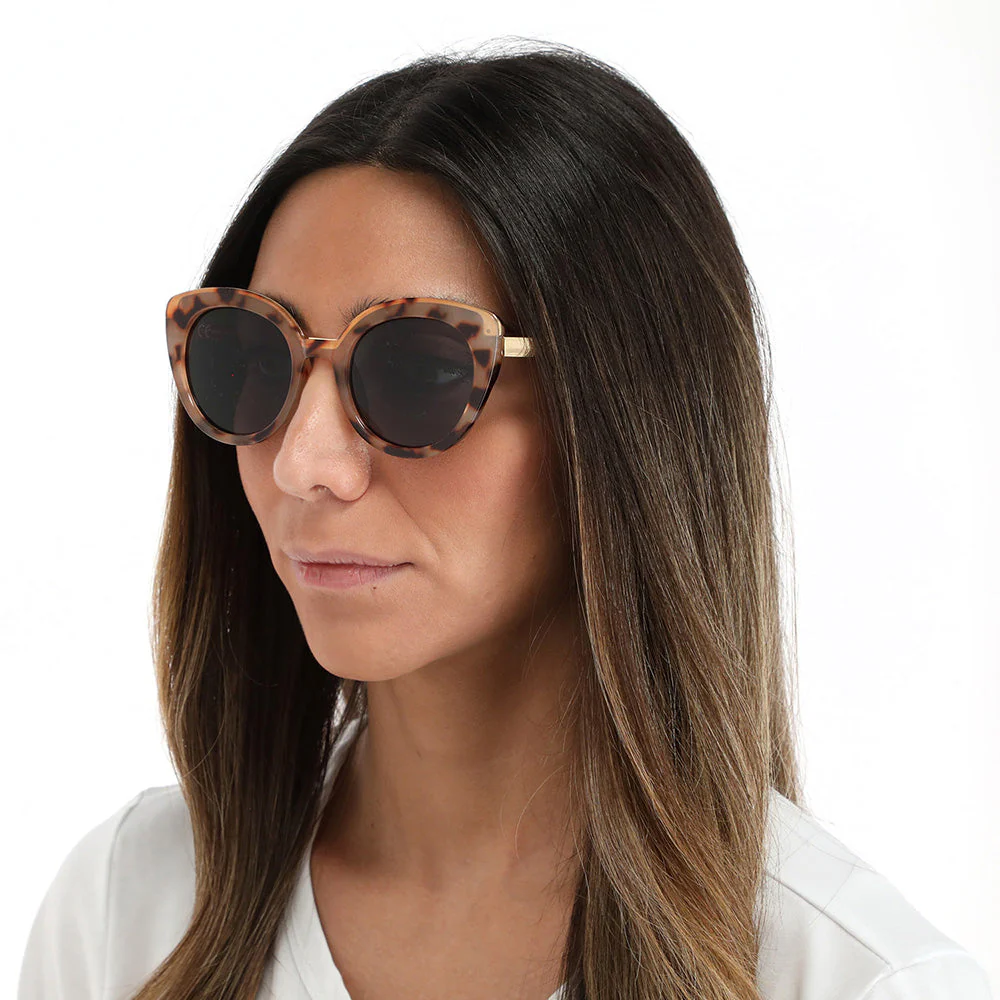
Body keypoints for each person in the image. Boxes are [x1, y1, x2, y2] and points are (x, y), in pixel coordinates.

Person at [18, 40, 993, 1000]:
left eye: (414, 369)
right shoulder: (124, 917)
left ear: (619, 415)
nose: (303, 462)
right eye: (255, 357)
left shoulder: (862, 983)